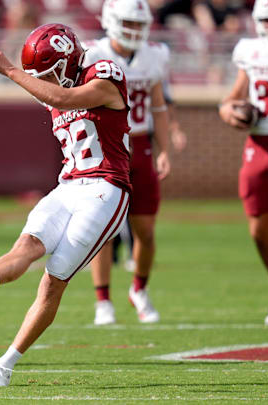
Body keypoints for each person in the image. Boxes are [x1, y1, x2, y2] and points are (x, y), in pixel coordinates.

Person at [0, 23, 131, 387]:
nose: (46, 80)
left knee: (53, 280)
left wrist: (9, 69)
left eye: (49, 71)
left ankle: (6, 363)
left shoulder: (104, 73)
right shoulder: (55, 85)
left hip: (106, 188)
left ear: (69, 57)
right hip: (68, 185)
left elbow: (63, 99)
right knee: (27, 245)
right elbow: (52, 93)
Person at [83, 0, 172, 325]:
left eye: (139, 24)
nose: (134, 31)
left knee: (146, 231)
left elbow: (158, 106)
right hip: (107, 147)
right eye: (128, 24)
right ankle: (102, 300)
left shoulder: (155, 55)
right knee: (103, 230)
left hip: (141, 144)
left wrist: (164, 149)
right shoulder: (92, 53)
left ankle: (139, 289)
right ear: (111, 21)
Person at [218, 0, 268, 326]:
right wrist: (230, 111)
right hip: (259, 143)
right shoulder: (250, 50)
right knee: (258, 230)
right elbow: (232, 97)